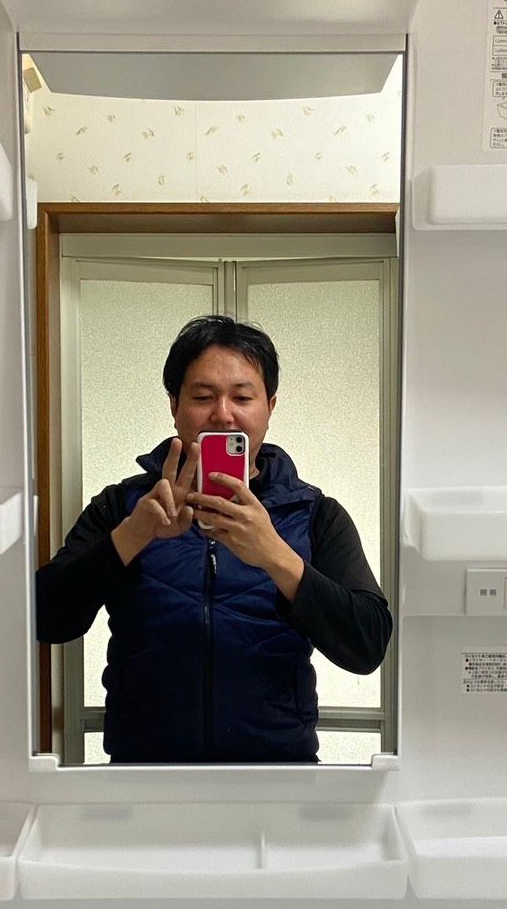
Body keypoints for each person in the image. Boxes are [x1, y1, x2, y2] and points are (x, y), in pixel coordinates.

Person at [36, 316, 392, 763]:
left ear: (270, 406)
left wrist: (276, 556)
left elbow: (367, 647)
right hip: (143, 776)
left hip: (278, 775)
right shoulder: (121, 507)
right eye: (203, 397)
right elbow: (46, 619)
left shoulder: (316, 515)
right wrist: (134, 534)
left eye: (242, 397)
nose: (223, 414)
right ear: (174, 405)